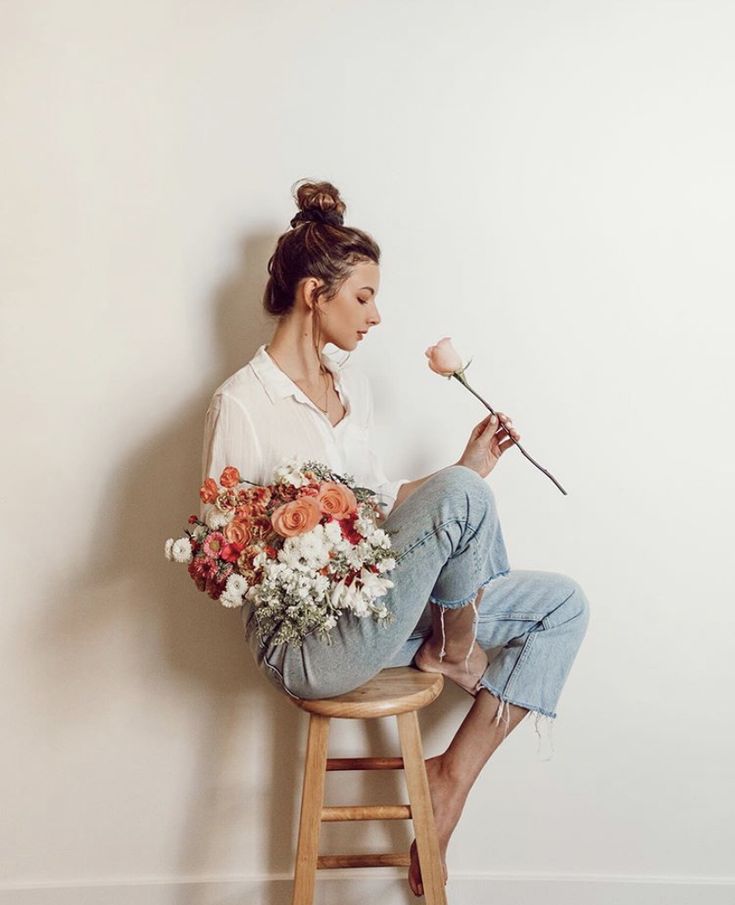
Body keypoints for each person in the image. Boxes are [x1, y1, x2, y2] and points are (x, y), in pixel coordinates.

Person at [200, 179, 591, 897]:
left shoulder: (353, 394)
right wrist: (315, 541)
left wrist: (469, 467)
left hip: (377, 610)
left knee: (562, 605)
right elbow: (227, 551)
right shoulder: (243, 402)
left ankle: (449, 779)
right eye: (363, 297)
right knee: (462, 501)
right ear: (314, 293)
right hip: (311, 644)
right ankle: (455, 643)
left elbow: (381, 506)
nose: (377, 315)